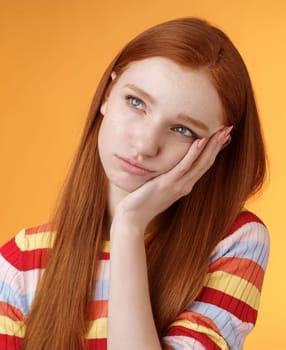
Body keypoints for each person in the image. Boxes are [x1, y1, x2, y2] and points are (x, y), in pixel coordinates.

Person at [0, 17, 270, 350]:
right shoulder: (22, 262)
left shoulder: (235, 242)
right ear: (108, 94)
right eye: (136, 102)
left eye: (182, 129)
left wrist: (128, 227)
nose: (144, 145)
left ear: (218, 146)